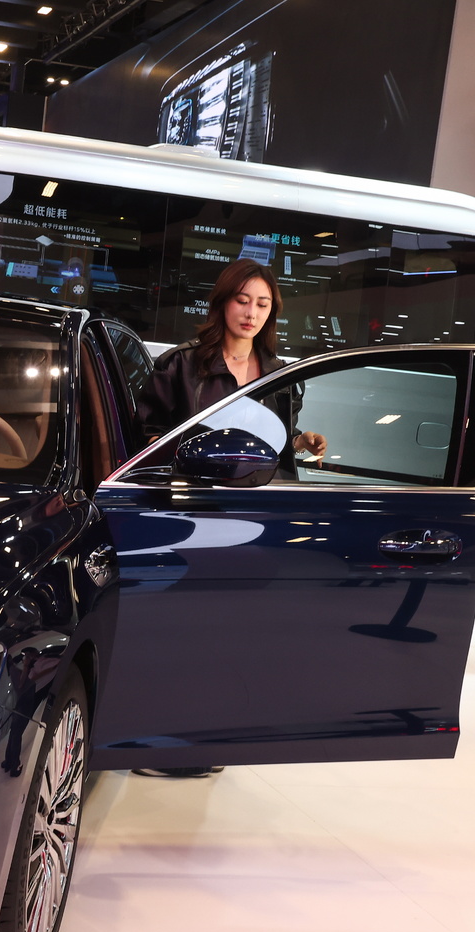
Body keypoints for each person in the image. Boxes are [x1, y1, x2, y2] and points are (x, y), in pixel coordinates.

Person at [131, 258, 328, 780]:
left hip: (254, 522)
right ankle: (155, 741)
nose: (251, 312)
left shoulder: (281, 374)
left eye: (262, 304)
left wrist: (302, 440)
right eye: (243, 300)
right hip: (192, 517)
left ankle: (204, 736)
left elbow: (272, 437)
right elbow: (145, 437)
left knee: (231, 634)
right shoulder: (180, 365)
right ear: (222, 303)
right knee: (178, 634)